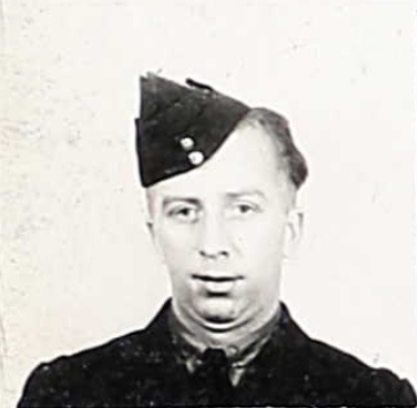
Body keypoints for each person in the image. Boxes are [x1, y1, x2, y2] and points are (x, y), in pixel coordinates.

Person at [18, 74, 417, 407]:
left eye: (242, 209)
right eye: (184, 212)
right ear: (155, 235)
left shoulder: (373, 399)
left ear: (290, 231)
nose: (213, 244)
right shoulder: (67, 394)